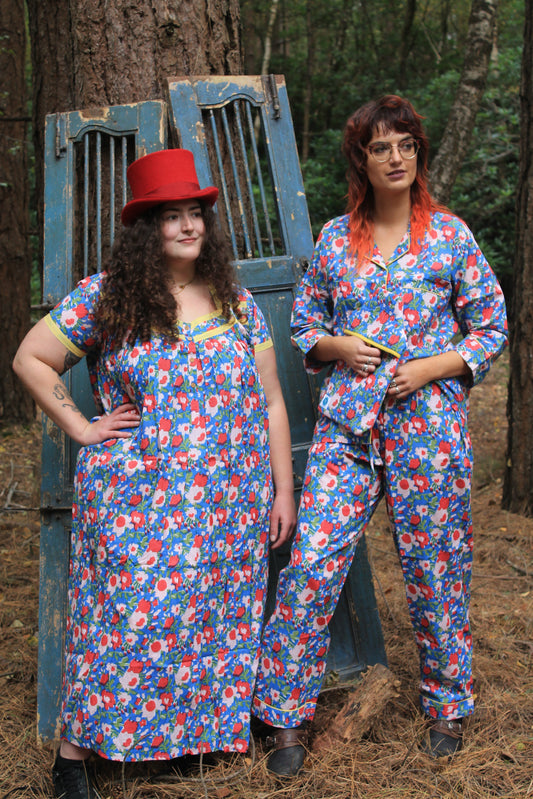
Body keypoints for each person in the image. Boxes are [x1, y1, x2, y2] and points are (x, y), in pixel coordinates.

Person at [13, 148, 296, 799]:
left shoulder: (234, 298)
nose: (189, 225)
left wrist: (282, 489)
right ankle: (71, 757)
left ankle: (179, 741)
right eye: (173, 215)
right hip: (138, 503)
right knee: (118, 620)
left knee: (211, 617)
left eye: (195, 212)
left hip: (230, 502)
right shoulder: (110, 294)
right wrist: (83, 427)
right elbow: (32, 357)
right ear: (147, 228)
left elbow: (273, 401)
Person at [251, 95, 508, 776]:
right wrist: (336, 345)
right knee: (311, 564)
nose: (394, 157)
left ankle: (447, 704)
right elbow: (304, 323)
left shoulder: (450, 236)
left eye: (405, 145)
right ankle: (283, 716)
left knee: (435, 569)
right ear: (360, 159)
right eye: (378, 147)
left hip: (429, 432)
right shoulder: (336, 239)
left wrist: (431, 365)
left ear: (417, 154)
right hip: (347, 433)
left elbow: (490, 327)